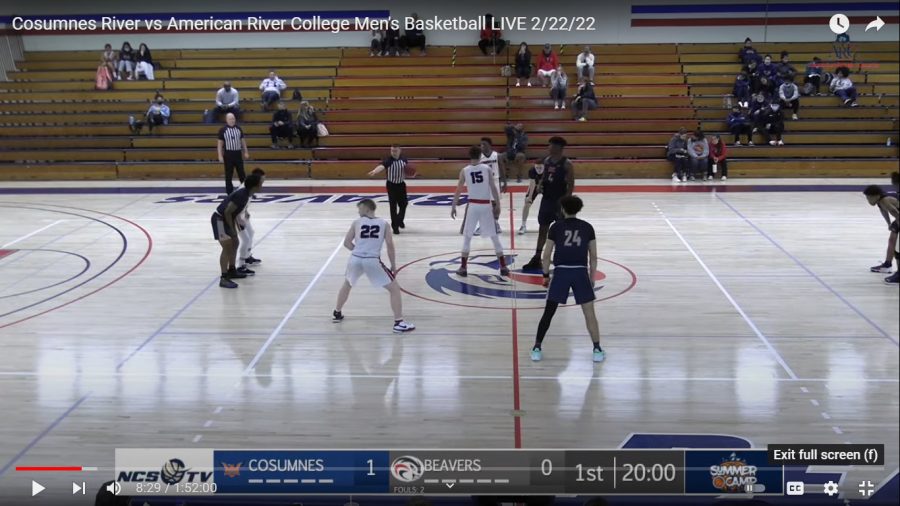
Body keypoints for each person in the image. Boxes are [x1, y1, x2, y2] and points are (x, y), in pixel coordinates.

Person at [530, 195, 605, 363]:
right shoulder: (588, 227)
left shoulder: (556, 227)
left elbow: (547, 254)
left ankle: (537, 347)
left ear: (563, 209)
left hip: (561, 272)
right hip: (580, 272)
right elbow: (593, 256)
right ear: (578, 210)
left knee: (548, 313)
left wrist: (545, 275)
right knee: (589, 314)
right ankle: (597, 349)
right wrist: (592, 277)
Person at [332, 199, 416, 333]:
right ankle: (399, 323)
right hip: (372, 260)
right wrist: (393, 265)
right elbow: (390, 246)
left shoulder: (356, 222)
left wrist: (359, 251)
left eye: (360, 209)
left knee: (347, 284)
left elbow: (347, 243)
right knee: (394, 289)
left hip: (355, 259)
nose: (358, 211)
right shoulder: (384, 224)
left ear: (367, 209)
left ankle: (337, 313)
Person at [450, 146, 509, 277]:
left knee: (467, 238)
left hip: (473, 205)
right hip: (485, 205)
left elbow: (458, 189)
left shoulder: (465, 170)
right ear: (480, 155)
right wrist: (498, 204)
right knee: (494, 237)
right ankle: (503, 267)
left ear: (469, 155)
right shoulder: (487, 169)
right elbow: (493, 188)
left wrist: (454, 205)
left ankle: (463, 268)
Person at [521, 137, 574, 271]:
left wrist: (566, 203)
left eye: (550, 145)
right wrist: (539, 186)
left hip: (559, 202)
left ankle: (561, 258)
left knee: (560, 231)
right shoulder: (546, 161)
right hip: (547, 201)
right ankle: (537, 257)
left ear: (558, 147)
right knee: (542, 229)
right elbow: (544, 178)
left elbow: (571, 185)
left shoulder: (567, 164)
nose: (548, 147)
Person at [211, 173, 263, 289]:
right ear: (255, 186)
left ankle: (232, 270)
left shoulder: (247, 194)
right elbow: (228, 212)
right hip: (219, 219)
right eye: (261, 183)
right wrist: (231, 228)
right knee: (227, 246)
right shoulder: (242, 195)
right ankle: (223, 278)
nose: (262, 185)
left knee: (235, 243)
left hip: (225, 218)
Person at [368, 145, 412, 234]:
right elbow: (381, 166)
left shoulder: (404, 160)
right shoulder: (389, 160)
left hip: (401, 184)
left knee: (404, 204)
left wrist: (412, 174)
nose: (393, 152)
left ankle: (400, 219)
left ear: (400, 150)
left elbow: (407, 170)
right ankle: (395, 226)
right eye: (392, 151)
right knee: (393, 206)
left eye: (395, 151)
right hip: (391, 185)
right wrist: (374, 171)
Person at [864, 181, 899, 276]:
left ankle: (888, 265)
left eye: (868, 197)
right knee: (892, 241)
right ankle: (887, 264)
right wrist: (889, 224)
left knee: (894, 242)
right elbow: (884, 212)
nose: (868, 200)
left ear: (876, 195)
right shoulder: (880, 201)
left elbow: (893, 211)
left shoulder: (884, 200)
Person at [237, 168, 266, 274]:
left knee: (251, 233)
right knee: (245, 239)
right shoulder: (244, 189)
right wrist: (240, 218)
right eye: (262, 180)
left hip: (242, 213)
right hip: (237, 216)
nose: (263, 182)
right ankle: (241, 265)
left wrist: (246, 211)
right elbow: (236, 204)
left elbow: (243, 203)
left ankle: (247, 256)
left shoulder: (249, 186)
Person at [217, 112, 249, 194]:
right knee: (228, 175)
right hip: (228, 155)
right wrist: (220, 156)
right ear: (227, 120)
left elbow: (243, 142)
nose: (232, 120)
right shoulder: (223, 130)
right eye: (230, 119)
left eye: (233, 118)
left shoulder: (239, 129)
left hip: (238, 153)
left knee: (242, 174)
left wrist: (246, 152)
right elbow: (220, 144)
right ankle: (229, 193)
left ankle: (246, 191)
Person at [478, 137, 504, 235]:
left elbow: (502, 168)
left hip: (495, 181)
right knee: (482, 204)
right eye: (481, 145)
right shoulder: (479, 157)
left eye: (484, 144)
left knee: (495, 203)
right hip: (483, 183)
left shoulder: (497, 155)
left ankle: (496, 223)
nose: (482, 146)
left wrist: (504, 182)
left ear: (490, 145)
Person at [518, 162, 544, 235]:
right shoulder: (532, 171)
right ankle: (523, 225)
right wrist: (529, 197)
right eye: (537, 168)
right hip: (535, 186)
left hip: (546, 186)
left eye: (540, 168)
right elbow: (532, 184)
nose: (538, 170)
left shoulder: (548, 170)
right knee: (527, 203)